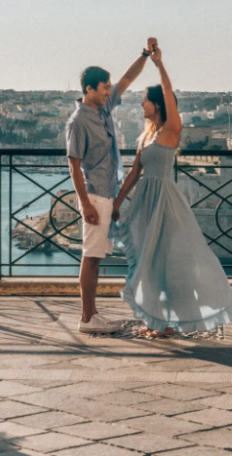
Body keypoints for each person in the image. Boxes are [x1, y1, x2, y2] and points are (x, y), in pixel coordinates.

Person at [112, 40, 232, 336]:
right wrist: (119, 203)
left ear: (157, 104)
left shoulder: (171, 131)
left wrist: (159, 64)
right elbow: (134, 174)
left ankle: (172, 321)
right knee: (150, 263)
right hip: (145, 202)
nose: (141, 104)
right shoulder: (145, 136)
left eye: (145, 100)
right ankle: (157, 322)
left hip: (166, 202)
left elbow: (169, 94)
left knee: (172, 262)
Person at [66, 46, 151, 333]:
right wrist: (85, 205)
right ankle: (87, 318)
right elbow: (74, 167)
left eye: (108, 88)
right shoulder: (78, 122)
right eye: (104, 88)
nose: (108, 92)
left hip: (107, 193)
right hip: (94, 195)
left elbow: (127, 79)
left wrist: (145, 54)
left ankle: (92, 315)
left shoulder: (103, 107)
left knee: (97, 255)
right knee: (91, 256)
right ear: (88, 89)